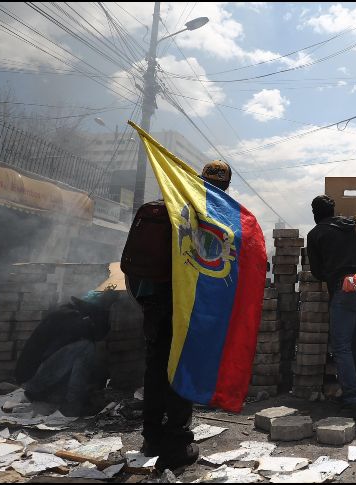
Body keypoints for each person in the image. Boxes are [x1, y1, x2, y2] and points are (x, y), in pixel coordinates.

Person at [128, 160, 232, 471]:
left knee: (155, 368)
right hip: (186, 305)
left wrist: (146, 302)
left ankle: (151, 438)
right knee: (182, 369)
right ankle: (177, 444)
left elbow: (133, 266)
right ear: (225, 186)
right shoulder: (212, 216)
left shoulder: (161, 209)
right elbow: (217, 269)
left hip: (153, 303)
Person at [306, 195, 356, 426]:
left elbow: (318, 272)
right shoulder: (350, 226)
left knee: (342, 347)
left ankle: (352, 403)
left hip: (347, 287)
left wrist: (331, 272)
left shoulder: (316, 234)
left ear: (315, 213)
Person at [15, 288, 119, 417]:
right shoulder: (74, 320)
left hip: (36, 380)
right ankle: (73, 404)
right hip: (34, 381)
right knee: (86, 348)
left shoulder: (68, 315)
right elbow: (97, 336)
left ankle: (55, 397)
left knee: (84, 350)